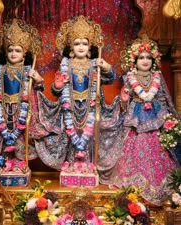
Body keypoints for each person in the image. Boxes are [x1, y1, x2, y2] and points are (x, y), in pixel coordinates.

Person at [35, 16, 120, 186]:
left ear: (90, 48)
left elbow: (110, 79)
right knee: (71, 136)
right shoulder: (66, 65)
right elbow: (56, 90)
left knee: (88, 137)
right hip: (70, 107)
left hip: (91, 106)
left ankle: (87, 165)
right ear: (71, 48)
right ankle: (72, 165)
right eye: (77, 43)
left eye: (84, 43)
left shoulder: (94, 64)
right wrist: (58, 86)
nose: (81, 46)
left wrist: (106, 67)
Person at [101, 34, 180, 205]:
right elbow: (124, 102)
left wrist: (168, 120)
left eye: (148, 57)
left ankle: (158, 187)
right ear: (133, 61)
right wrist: (123, 99)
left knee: (159, 150)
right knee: (135, 145)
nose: (145, 60)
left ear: (154, 61)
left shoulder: (158, 77)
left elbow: (163, 100)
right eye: (141, 57)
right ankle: (135, 184)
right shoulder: (129, 77)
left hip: (155, 117)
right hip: (135, 118)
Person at [0, 19, 47, 184]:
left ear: (25, 53)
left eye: (18, 50)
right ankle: (4, 162)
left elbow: (38, 90)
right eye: (10, 50)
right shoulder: (0, 71)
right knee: (3, 136)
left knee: (20, 138)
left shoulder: (27, 71)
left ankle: (19, 163)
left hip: (21, 110)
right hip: (1, 108)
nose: (14, 53)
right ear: (5, 52)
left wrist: (38, 79)